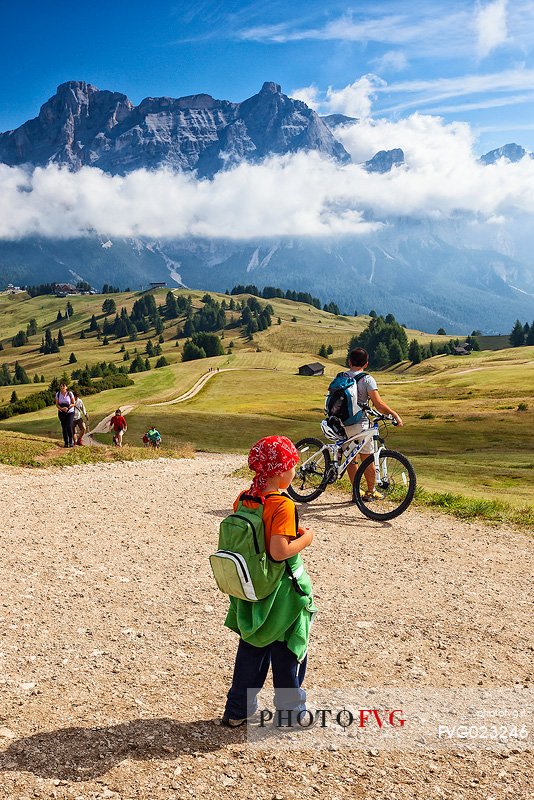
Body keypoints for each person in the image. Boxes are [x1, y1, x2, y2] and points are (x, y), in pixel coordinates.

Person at [222, 436, 317, 728]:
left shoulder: (244, 499)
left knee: (251, 650)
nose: (295, 473)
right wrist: (306, 538)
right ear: (280, 471)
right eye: (292, 467)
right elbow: (278, 551)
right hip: (281, 595)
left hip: (252, 590)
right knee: (288, 652)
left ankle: (238, 710)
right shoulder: (282, 505)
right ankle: (291, 713)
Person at [344, 347, 403, 500]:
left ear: (349, 362)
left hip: (341, 423)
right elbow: (378, 404)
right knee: (367, 457)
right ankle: (370, 491)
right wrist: (394, 414)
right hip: (359, 423)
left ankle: (356, 491)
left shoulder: (342, 376)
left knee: (351, 457)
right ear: (366, 364)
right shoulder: (366, 379)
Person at [55, 381, 75, 448]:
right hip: (61, 412)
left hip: (70, 412)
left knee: (69, 426)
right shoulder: (58, 394)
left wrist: (68, 407)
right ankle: (66, 442)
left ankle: (71, 441)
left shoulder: (70, 393)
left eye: (63, 386)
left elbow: (73, 403)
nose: (62, 387)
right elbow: (57, 404)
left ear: (66, 387)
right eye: (61, 386)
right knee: (64, 427)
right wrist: (62, 408)